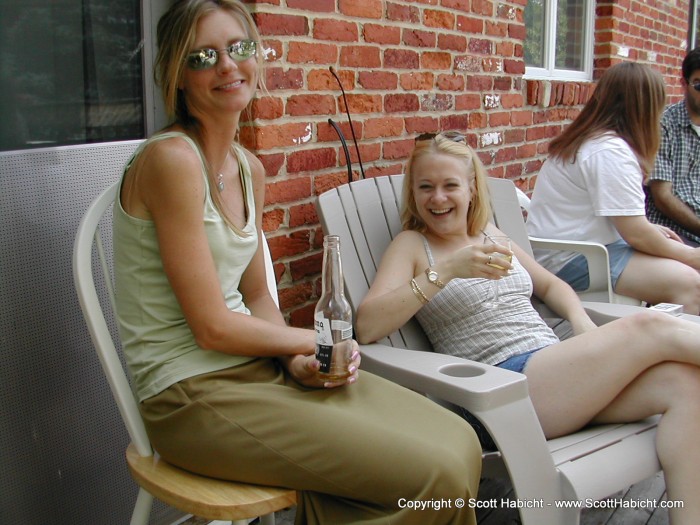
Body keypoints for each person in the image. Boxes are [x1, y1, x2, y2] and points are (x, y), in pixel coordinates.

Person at [112, 2, 481, 524]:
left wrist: (293, 362)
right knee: (435, 477)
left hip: (258, 373)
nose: (227, 65)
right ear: (177, 74)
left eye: (239, 48)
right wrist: (315, 342)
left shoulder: (248, 169)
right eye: (203, 56)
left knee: (460, 440)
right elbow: (213, 328)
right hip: (189, 397)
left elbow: (259, 296)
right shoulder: (171, 160)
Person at [356, 132, 700, 524]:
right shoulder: (413, 245)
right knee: (651, 324)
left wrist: (580, 320)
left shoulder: (491, 234)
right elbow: (367, 326)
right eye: (425, 187)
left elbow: (551, 284)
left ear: (471, 188)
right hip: (502, 390)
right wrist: (447, 271)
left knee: (685, 383)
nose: (438, 198)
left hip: (554, 373)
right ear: (413, 193)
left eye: (450, 185)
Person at [524, 62, 700, 313]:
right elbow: (636, 234)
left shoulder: (593, 140)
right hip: (573, 260)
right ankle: (665, 348)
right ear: (646, 107)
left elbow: (628, 223)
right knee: (692, 284)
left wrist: (651, 230)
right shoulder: (609, 151)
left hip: (569, 250)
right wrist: (690, 255)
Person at [646, 47, 700, 247]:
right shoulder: (663, 124)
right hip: (674, 233)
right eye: (699, 85)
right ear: (684, 84)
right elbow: (662, 197)